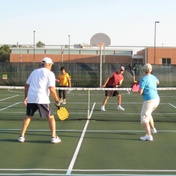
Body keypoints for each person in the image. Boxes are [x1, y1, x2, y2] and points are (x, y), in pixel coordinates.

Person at [18, 57, 61, 144]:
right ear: (48, 65)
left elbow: (26, 85)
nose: (51, 66)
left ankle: (21, 136)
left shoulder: (34, 72)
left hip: (32, 98)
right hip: (43, 99)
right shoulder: (50, 74)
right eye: (51, 65)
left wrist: (26, 97)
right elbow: (52, 88)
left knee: (28, 116)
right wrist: (57, 100)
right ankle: (54, 137)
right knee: (51, 117)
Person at [139, 63, 160, 141]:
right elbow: (158, 82)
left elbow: (140, 92)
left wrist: (136, 89)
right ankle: (153, 129)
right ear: (150, 70)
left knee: (144, 118)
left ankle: (149, 135)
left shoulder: (143, 79)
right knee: (149, 114)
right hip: (156, 99)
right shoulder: (153, 77)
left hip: (149, 100)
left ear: (144, 70)